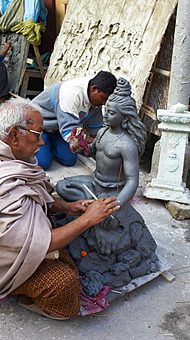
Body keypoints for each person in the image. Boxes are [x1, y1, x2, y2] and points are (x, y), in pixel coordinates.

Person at [0, 96, 120, 320]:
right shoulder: (4, 188)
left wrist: (68, 207)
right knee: (65, 285)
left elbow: (34, 194)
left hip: (2, 241)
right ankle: (13, 291)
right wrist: (88, 219)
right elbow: (40, 244)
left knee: (66, 237)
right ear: (14, 134)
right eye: (38, 135)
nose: (42, 143)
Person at [56, 78, 158, 297]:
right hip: (94, 183)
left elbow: (132, 180)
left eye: (112, 113)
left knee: (105, 218)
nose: (105, 115)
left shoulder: (126, 144)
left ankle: (92, 204)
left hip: (111, 191)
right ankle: (87, 197)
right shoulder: (102, 133)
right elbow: (91, 151)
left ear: (124, 117)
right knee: (61, 185)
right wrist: (80, 146)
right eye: (106, 110)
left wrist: (118, 206)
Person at [32, 71, 117, 170]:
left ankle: (50, 144)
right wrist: (99, 144)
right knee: (43, 163)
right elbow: (72, 134)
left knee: (70, 160)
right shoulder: (70, 94)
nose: (104, 103)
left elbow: (96, 128)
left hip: (58, 129)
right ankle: (44, 144)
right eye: (103, 98)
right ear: (94, 89)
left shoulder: (95, 100)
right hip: (40, 127)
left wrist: (98, 153)